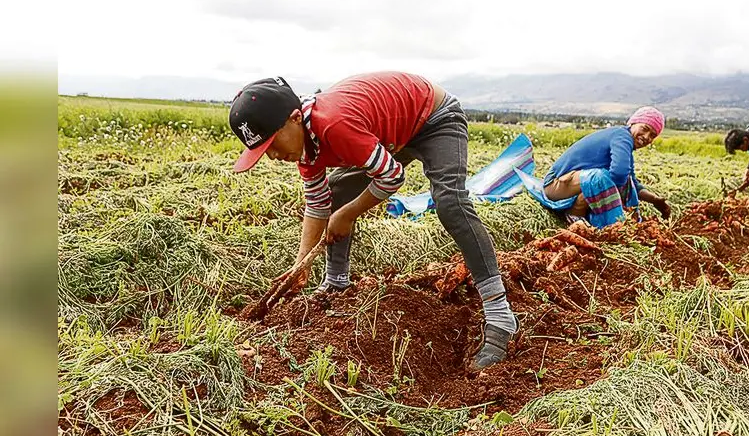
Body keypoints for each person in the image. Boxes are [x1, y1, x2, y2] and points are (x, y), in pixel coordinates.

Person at [227, 72, 517, 370]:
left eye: (272, 143)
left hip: (434, 117)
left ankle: (499, 314)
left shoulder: (334, 124)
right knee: (338, 190)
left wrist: (347, 214)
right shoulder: (304, 147)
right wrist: (301, 266)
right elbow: (317, 203)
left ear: (294, 118)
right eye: (263, 151)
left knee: (450, 202)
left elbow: (392, 176)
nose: (273, 156)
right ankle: (336, 284)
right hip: (392, 133)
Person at [539, 107, 671, 227]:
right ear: (632, 123)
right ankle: (577, 215)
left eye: (653, 135)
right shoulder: (622, 136)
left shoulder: (625, 143)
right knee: (601, 178)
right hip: (554, 185)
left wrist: (655, 200)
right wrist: (620, 204)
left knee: (618, 180)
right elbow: (619, 174)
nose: (647, 137)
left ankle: (605, 220)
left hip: (571, 184)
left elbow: (632, 184)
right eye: (645, 128)